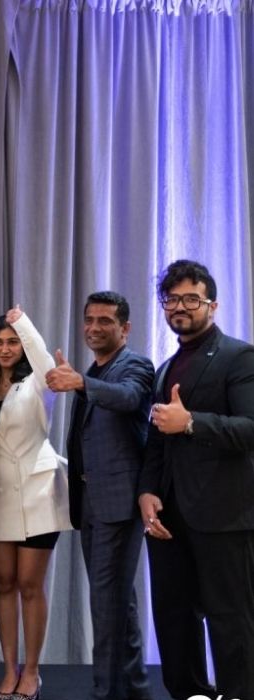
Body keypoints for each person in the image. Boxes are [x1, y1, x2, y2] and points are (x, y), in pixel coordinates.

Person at [139, 260, 254, 700]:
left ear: (213, 304)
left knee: (231, 619)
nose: (180, 307)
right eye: (172, 299)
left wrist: (191, 424)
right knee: (173, 616)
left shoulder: (238, 356)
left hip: (224, 514)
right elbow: (155, 441)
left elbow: (249, 429)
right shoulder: (166, 366)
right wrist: (146, 493)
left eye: (191, 298)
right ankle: (189, 693)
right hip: (168, 517)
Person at [45, 292, 154, 700]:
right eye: (89, 319)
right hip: (91, 502)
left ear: (125, 328)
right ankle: (137, 688)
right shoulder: (94, 368)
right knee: (116, 602)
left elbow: (128, 398)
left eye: (105, 321)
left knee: (106, 605)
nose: (93, 327)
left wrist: (81, 383)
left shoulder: (135, 364)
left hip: (118, 502)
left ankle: (104, 693)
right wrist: (84, 379)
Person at [0, 307, 70, 700]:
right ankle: (9, 670)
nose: (5, 348)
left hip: (38, 490)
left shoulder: (38, 381)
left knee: (30, 584)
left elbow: (44, 359)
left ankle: (32, 672)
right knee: (4, 583)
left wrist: (23, 323)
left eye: (12, 341)